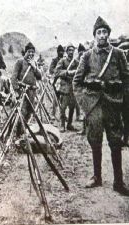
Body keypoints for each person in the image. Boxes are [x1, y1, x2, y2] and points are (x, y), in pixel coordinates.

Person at [73, 16, 129, 195]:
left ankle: (118, 182)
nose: (102, 35)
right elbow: (77, 82)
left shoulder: (118, 54)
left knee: (115, 141)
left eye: (105, 32)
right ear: (94, 35)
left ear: (109, 34)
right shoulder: (87, 55)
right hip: (94, 105)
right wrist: (85, 104)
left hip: (113, 103)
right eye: (99, 32)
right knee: (95, 140)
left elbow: (127, 78)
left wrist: (123, 101)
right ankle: (97, 177)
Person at [11, 42, 42, 137]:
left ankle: (23, 132)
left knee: (30, 112)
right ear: (25, 52)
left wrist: (34, 67)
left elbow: (39, 77)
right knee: (22, 112)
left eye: (33, 52)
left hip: (32, 91)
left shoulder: (34, 63)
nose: (31, 54)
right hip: (22, 91)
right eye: (29, 52)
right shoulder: (20, 62)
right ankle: (17, 133)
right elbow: (13, 78)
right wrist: (16, 90)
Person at [55, 43, 79, 132]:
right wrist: (68, 72)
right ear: (66, 51)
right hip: (64, 88)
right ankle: (62, 125)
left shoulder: (76, 62)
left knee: (72, 107)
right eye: (69, 50)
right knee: (63, 107)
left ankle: (69, 124)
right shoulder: (62, 61)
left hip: (73, 88)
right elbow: (56, 72)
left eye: (72, 50)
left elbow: (80, 72)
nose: (71, 52)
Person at [49, 45, 65, 118]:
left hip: (63, 81)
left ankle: (62, 114)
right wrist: (58, 71)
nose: (61, 53)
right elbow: (51, 70)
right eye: (60, 51)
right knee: (55, 98)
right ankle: (52, 114)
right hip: (56, 82)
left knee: (63, 99)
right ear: (58, 52)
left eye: (62, 51)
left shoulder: (65, 60)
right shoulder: (54, 60)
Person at [76, 43, 87, 135]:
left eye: (83, 52)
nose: (81, 54)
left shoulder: (87, 61)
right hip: (81, 88)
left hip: (88, 88)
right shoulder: (76, 62)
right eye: (80, 53)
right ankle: (84, 129)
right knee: (84, 109)